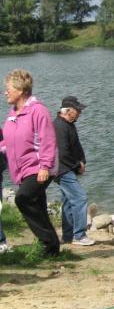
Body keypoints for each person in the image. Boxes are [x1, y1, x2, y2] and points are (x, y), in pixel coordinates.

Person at [2, 69, 60, 257]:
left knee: (23, 199)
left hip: (38, 167)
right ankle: (50, 250)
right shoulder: (13, 113)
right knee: (39, 206)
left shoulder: (38, 110)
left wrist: (45, 166)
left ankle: (48, 241)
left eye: (8, 88)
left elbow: (48, 140)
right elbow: (8, 141)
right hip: (22, 170)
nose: (5, 92)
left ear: (20, 90)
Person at [53, 96, 95, 246]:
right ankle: (80, 235)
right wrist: (78, 165)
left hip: (66, 168)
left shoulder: (68, 124)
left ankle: (68, 236)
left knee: (68, 201)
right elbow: (62, 153)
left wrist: (82, 161)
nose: (79, 113)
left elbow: (75, 146)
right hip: (62, 169)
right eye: (77, 110)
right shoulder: (59, 126)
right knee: (80, 198)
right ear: (67, 111)